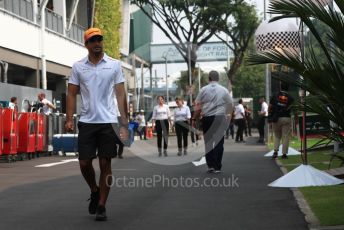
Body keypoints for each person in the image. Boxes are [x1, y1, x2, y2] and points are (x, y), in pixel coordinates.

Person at [65, 28, 129, 221]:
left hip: (108, 122)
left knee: (105, 163)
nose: (97, 43)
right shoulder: (78, 67)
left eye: (99, 39)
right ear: (86, 44)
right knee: (84, 162)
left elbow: (120, 94)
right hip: (87, 121)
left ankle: (101, 205)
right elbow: (71, 93)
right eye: (93, 40)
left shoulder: (114, 65)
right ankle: (94, 190)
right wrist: (69, 119)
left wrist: (124, 122)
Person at [193, 70, 233, 173]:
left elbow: (197, 106)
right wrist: (228, 117)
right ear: (218, 78)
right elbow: (230, 104)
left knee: (208, 142)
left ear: (209, 78)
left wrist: (195, 119)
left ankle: (210, 165)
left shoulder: (203, 90)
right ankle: (217, 166)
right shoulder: (224, 90)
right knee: (219, 142)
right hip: (220, 118)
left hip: (207, 118)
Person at [269, 81, 295, 159]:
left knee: (277, 136)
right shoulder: (291, 97)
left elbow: (270, 107)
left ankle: (275, 152)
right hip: (286, 118)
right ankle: (284, 154)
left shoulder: (275, 95)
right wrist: (296, 118)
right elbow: (294, 109)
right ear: (288, 88)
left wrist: (270, 116)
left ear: (280, 87)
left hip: (276, 118)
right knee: (286, 136)